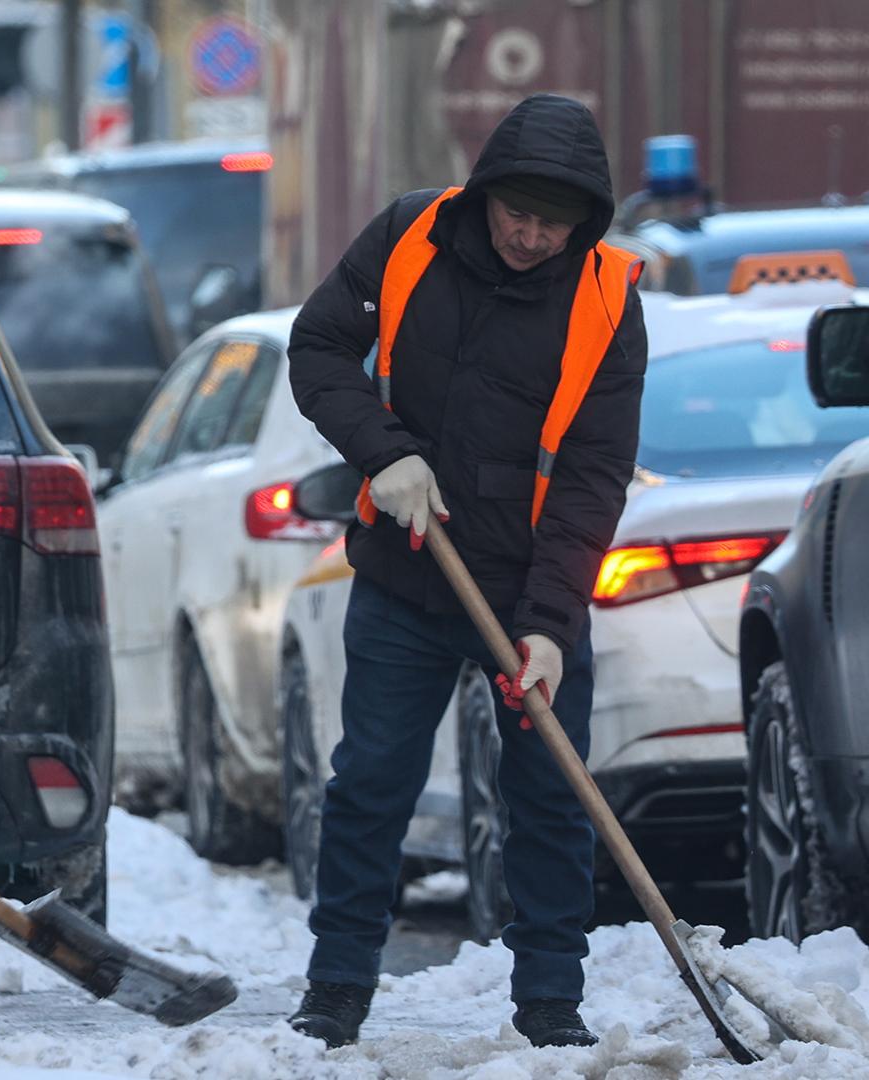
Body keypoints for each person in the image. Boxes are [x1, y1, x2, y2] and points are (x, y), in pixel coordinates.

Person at [284, 93, 646, 1049]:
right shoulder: (411, 236)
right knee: (370, 784)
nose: (530, 235)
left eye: (553, 221)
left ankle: (551, 1002)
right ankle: (336, 989)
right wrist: (382, 450)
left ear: (586, 220)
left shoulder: (608, 297)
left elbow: (593, 473)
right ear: (484, 194)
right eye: (514, 212)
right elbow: (318, 347)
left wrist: (552, 622)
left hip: (528, 588)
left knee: (550, 794)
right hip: (407, 577)